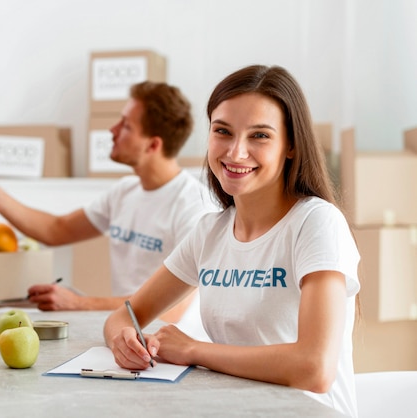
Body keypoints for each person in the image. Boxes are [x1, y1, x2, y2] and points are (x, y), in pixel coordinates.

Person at [103, 65, 360, 417]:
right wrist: (123, 340)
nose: (236, 152)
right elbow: (125, 315)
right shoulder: (210, 231)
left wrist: (194, 350)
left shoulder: (316, 223)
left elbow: (313, 368)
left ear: (291, 147)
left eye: (260, 136)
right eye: (222, 131)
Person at [0, 81, 219, 323]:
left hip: (168, 343)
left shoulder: (194, 208)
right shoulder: (125, 192)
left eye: (126, 126)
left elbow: (172, 310)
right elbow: (56, 230)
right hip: (128, 331)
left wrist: (77, 303)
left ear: (153, 144)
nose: (112, 130)